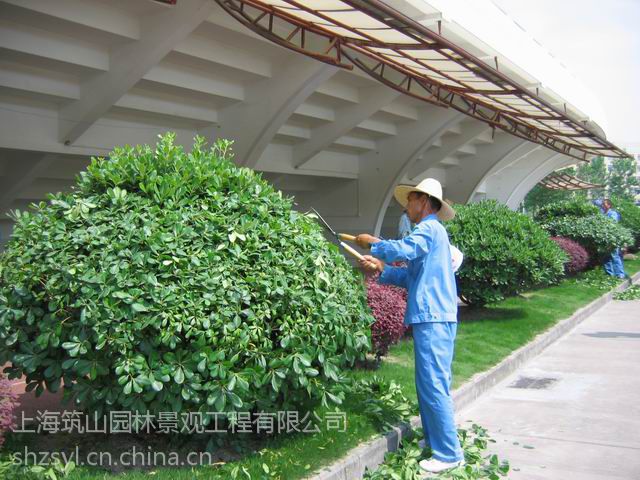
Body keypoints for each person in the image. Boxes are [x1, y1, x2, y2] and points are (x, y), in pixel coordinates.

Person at [355, 178, 464, 474]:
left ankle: (448, 453)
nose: (407, 206)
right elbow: (408, 278)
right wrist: (381, 268)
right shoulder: (429, 233)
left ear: (424, 202)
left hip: (434, 318)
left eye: (411, 200)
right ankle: (437, 444)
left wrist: (376, 246)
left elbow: (404, 249)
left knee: (433, 386)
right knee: (428, 385)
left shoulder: (428, 229)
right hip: (433, 317)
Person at [602, 198, 627, 279]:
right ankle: (609, 274)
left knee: (614, 256)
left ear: (609, 205)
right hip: (604, 238)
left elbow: (612, 224)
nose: (602, 205)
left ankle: (620, 274)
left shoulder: (613, 214)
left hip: (613, 238)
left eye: (604, 204)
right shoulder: (602, 214)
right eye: (602, 204)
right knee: (605, 256)